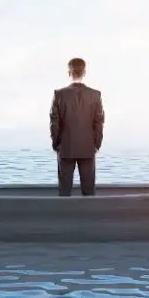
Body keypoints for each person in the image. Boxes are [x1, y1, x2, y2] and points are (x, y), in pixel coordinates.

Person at [49, 57, 105, 196]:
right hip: (88, 147)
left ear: (69, 72)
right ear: (84, 72)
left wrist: (56, 144)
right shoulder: (95, 95)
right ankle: (89, 216)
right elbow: (99, 123)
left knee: (64, 191)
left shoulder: (59, 95)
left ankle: (65, 216)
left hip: (66, 148)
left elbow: (54, 123)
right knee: (88, 191)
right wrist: (96, 144)